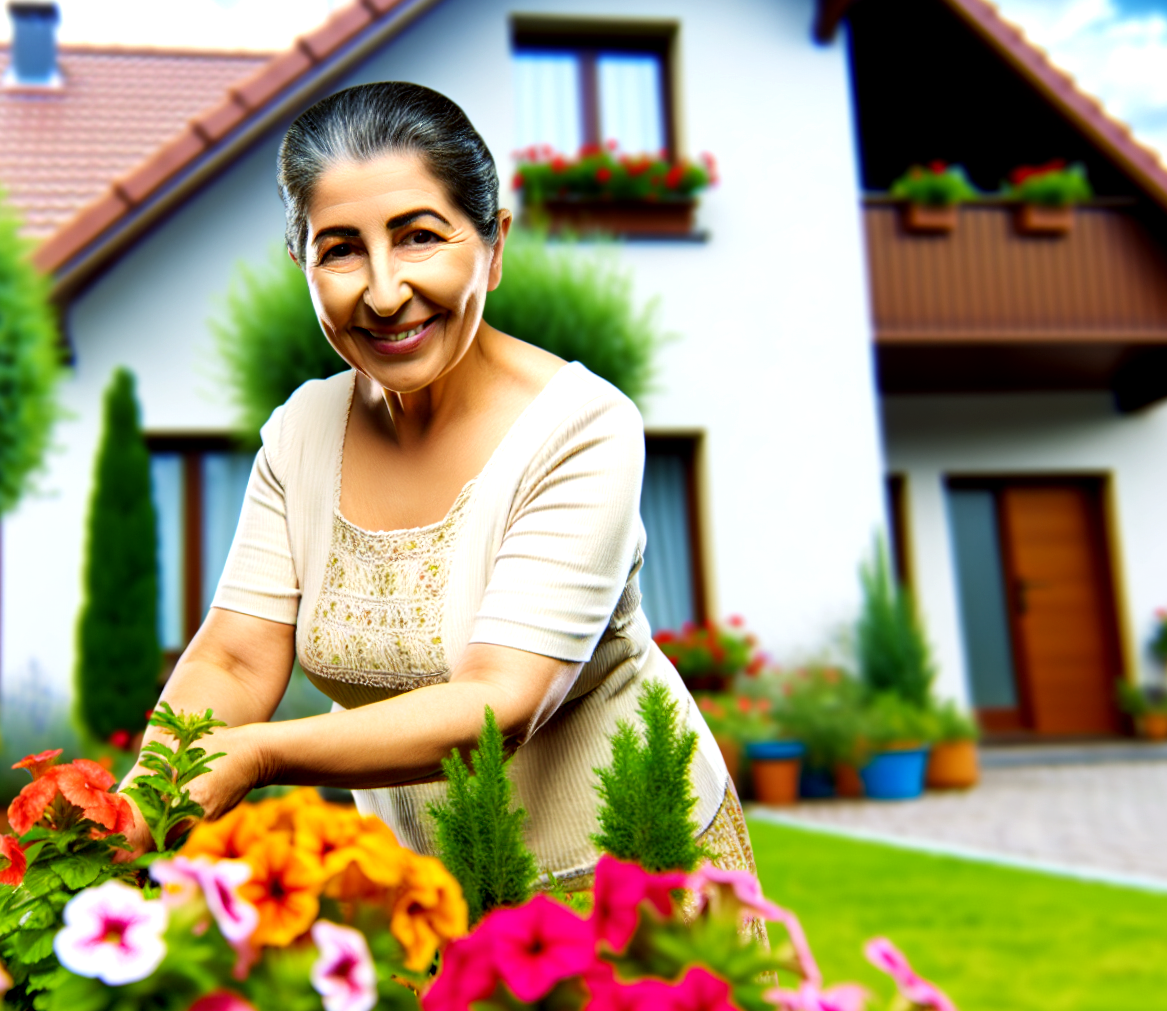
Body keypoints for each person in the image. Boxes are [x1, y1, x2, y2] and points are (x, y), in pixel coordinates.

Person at [122, 81, 756, 889]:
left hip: (630, 868)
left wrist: (259, 752)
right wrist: (137, 807)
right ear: (303, 264)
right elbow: (238, 660)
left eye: (419, 236)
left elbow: (499, 702)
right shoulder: (302, 431)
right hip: (429, 891)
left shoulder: (583, 427)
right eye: (341, 248)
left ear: (493, 245)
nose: (384, 292)